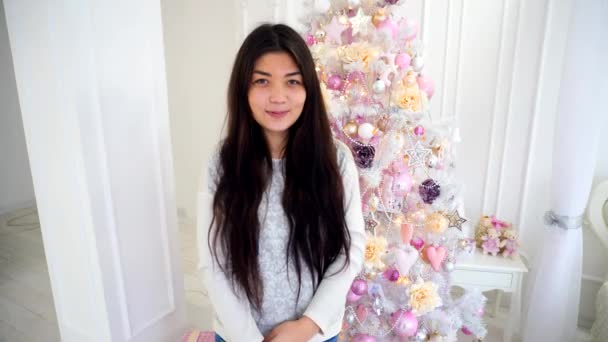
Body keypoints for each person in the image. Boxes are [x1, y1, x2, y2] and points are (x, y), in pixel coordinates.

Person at [196, 23, 365, 342]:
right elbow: (213, 262)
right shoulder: (222, 161)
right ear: (243, 89)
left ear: (308, 90)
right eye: (262, 81)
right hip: (238, 335)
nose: (277, 96)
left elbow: (349, 250)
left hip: (314, 334)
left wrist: (307, 326)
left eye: (292, 81)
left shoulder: (336, 159)